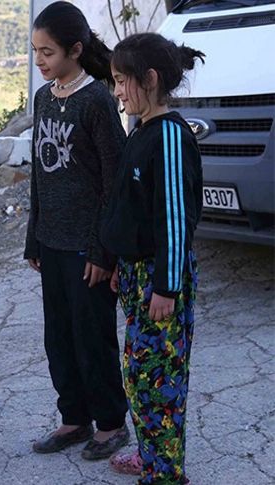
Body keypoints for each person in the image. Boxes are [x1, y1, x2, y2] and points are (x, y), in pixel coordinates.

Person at [24, 1, 130, 461]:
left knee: (93, 337)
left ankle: (109, 424)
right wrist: (34, 237)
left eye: (47, 52)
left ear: (75, 50)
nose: (39, 60)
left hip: (89, 249)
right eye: (35, 51)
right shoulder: (44, 98)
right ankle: (73, 418)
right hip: (52, 242)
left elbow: (114, 183)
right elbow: (39, 177)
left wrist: (103, 251)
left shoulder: (98, 102)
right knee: (59, 337)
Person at [102, 33, 204, 485]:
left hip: (160, 280)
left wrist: (165, 285)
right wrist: (121, 268)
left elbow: (176, 218)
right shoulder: (142, 130)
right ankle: (151, 457)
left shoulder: (170, 137)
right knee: (139, 376)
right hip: (136, 274)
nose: (118, 91)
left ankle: (165, 475)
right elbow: (130, 207)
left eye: (123, 82)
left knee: (158, 383)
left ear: (150, 79)